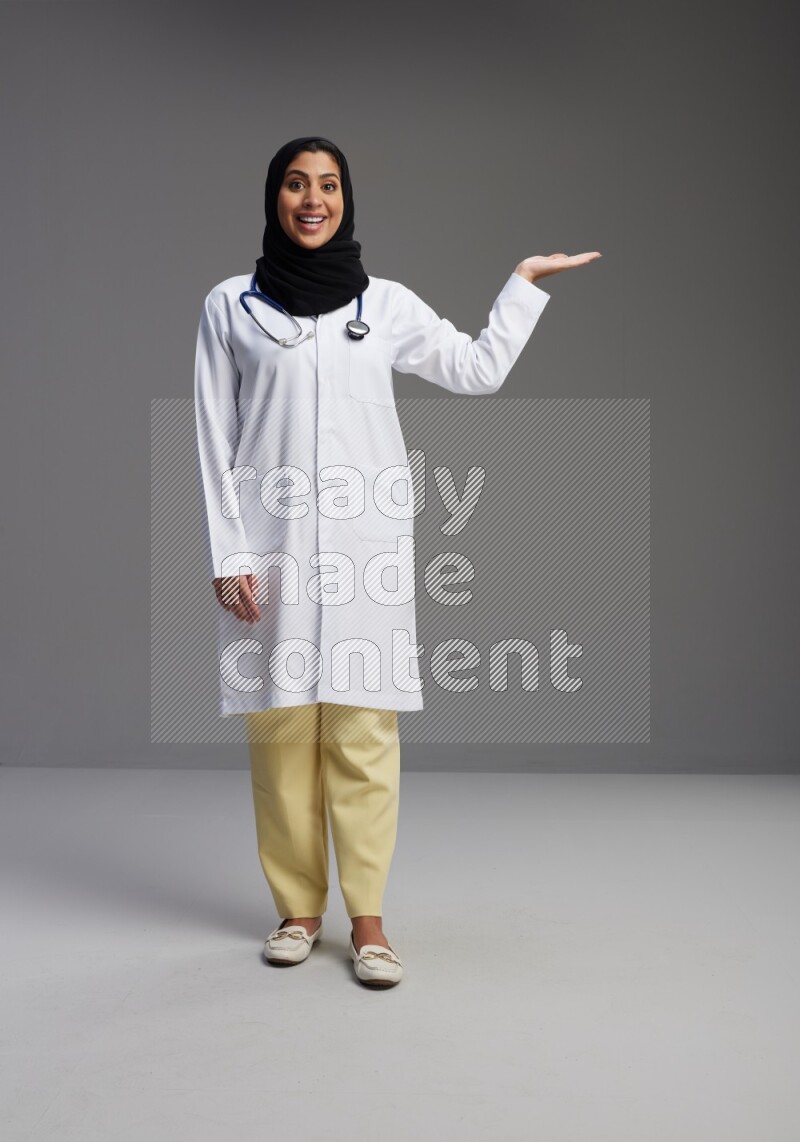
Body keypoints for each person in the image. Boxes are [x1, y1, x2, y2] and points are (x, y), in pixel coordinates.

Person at [194, 135, 600, 988]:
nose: (314, 199)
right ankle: (298, 911)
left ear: (347, 199)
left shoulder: (384, 304)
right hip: (271, 553)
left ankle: (369, 921)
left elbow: (476, 370)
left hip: (362, 554)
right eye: (298, 185)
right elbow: (212, 438)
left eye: (330, 185)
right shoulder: (231, 306)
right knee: (281, 732)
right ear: (275, 197)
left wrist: (521, 288)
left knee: (363, 733)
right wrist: (229, 550)